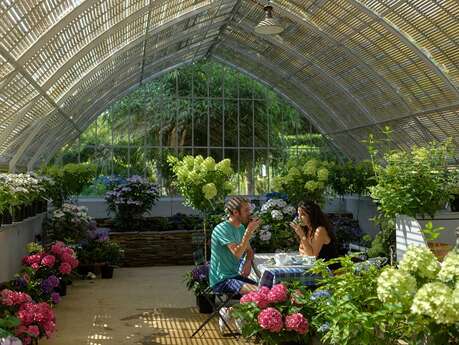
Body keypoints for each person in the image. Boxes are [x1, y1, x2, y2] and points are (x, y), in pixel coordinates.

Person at [209, 196, 261, 296]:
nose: (249, 213)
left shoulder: (240, 228)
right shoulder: (222, 229)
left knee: (265, 288)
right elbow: (237, 254)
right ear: (235, 212)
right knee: (260, 291)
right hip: (221, 280)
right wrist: (249, 231)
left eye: (249, 210)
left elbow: (249, 251)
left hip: (234, 276)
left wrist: (248, 261)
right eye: (246, 210)